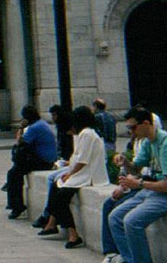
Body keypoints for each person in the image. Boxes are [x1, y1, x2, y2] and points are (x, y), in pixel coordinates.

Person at [100, 107, 167, 263]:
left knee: (132, 222)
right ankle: (130, 260)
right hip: (155, 191)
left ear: (146, 123)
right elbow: (136, 169)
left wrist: (139, 183)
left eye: (133, 127)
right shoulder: (149, 143)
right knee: (115, 217)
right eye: (128, 128)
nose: (131, 132)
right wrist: (125, 162)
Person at [38, 106, 109, 250]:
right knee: (56, 187)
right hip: (83, 174)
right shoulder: (85, 133)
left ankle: (72, 233)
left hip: (89, 176)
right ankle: (52, 223)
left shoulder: (87, 134)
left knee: (60, 197)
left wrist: (70, 174)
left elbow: (83, 160)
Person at [6, 105, 56, 219]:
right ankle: (14, 202)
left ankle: (16, 206)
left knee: (13, 174)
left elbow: (20, 143)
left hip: (43, 161)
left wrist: (21, 127)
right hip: (47, 160)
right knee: (17, 168)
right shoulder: (41, 124)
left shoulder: (34, 128)